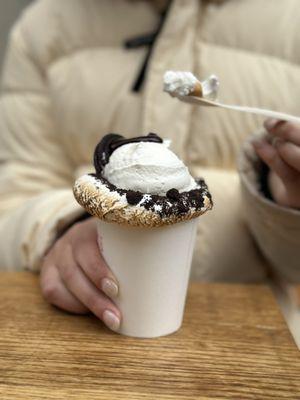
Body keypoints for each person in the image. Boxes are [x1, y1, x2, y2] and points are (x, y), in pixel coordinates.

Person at [0, 0, 299, 332]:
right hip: (79, 336)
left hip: (251, 338)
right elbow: (14, 203)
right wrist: (55, 229)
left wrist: (284, 198)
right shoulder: (45, 27)